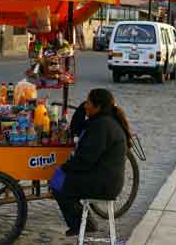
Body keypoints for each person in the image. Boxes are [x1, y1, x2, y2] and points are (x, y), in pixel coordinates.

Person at [50, 88, 131, 236]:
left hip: (104, 183)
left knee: (57, 183)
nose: (85, 105)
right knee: (59, 179)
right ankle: (85, 223)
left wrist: (64, 168)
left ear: (98, 107)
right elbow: (77, 129)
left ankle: (83, 224)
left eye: (88, 103)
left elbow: (85, 160)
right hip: (103, 177)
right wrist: (82, 110)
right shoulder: (102, 120)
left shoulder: (102, 126)